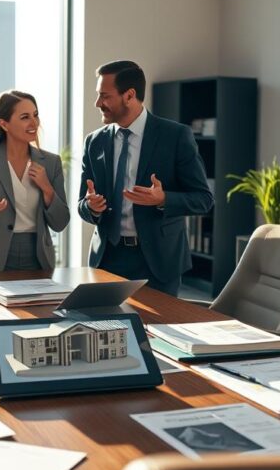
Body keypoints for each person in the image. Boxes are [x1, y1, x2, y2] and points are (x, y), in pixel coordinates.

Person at [77, 60, 213, 296]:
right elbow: (82, 205)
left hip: (158, 262)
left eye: (104, 96)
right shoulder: (94, 142)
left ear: (129, 95)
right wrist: (91, 206)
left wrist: (162, 199)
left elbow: (203, 199)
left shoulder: (176, 136)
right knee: (108, 330)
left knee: (156, 332)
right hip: (107, 259)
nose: (97, 103)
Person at [0, 90, 70, 271]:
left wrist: (47, 189)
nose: (34, 123)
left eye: (36, 115)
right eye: (25, 117)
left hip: (38, 257)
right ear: (4, 124)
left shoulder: (51, 163)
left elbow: (60, 222)